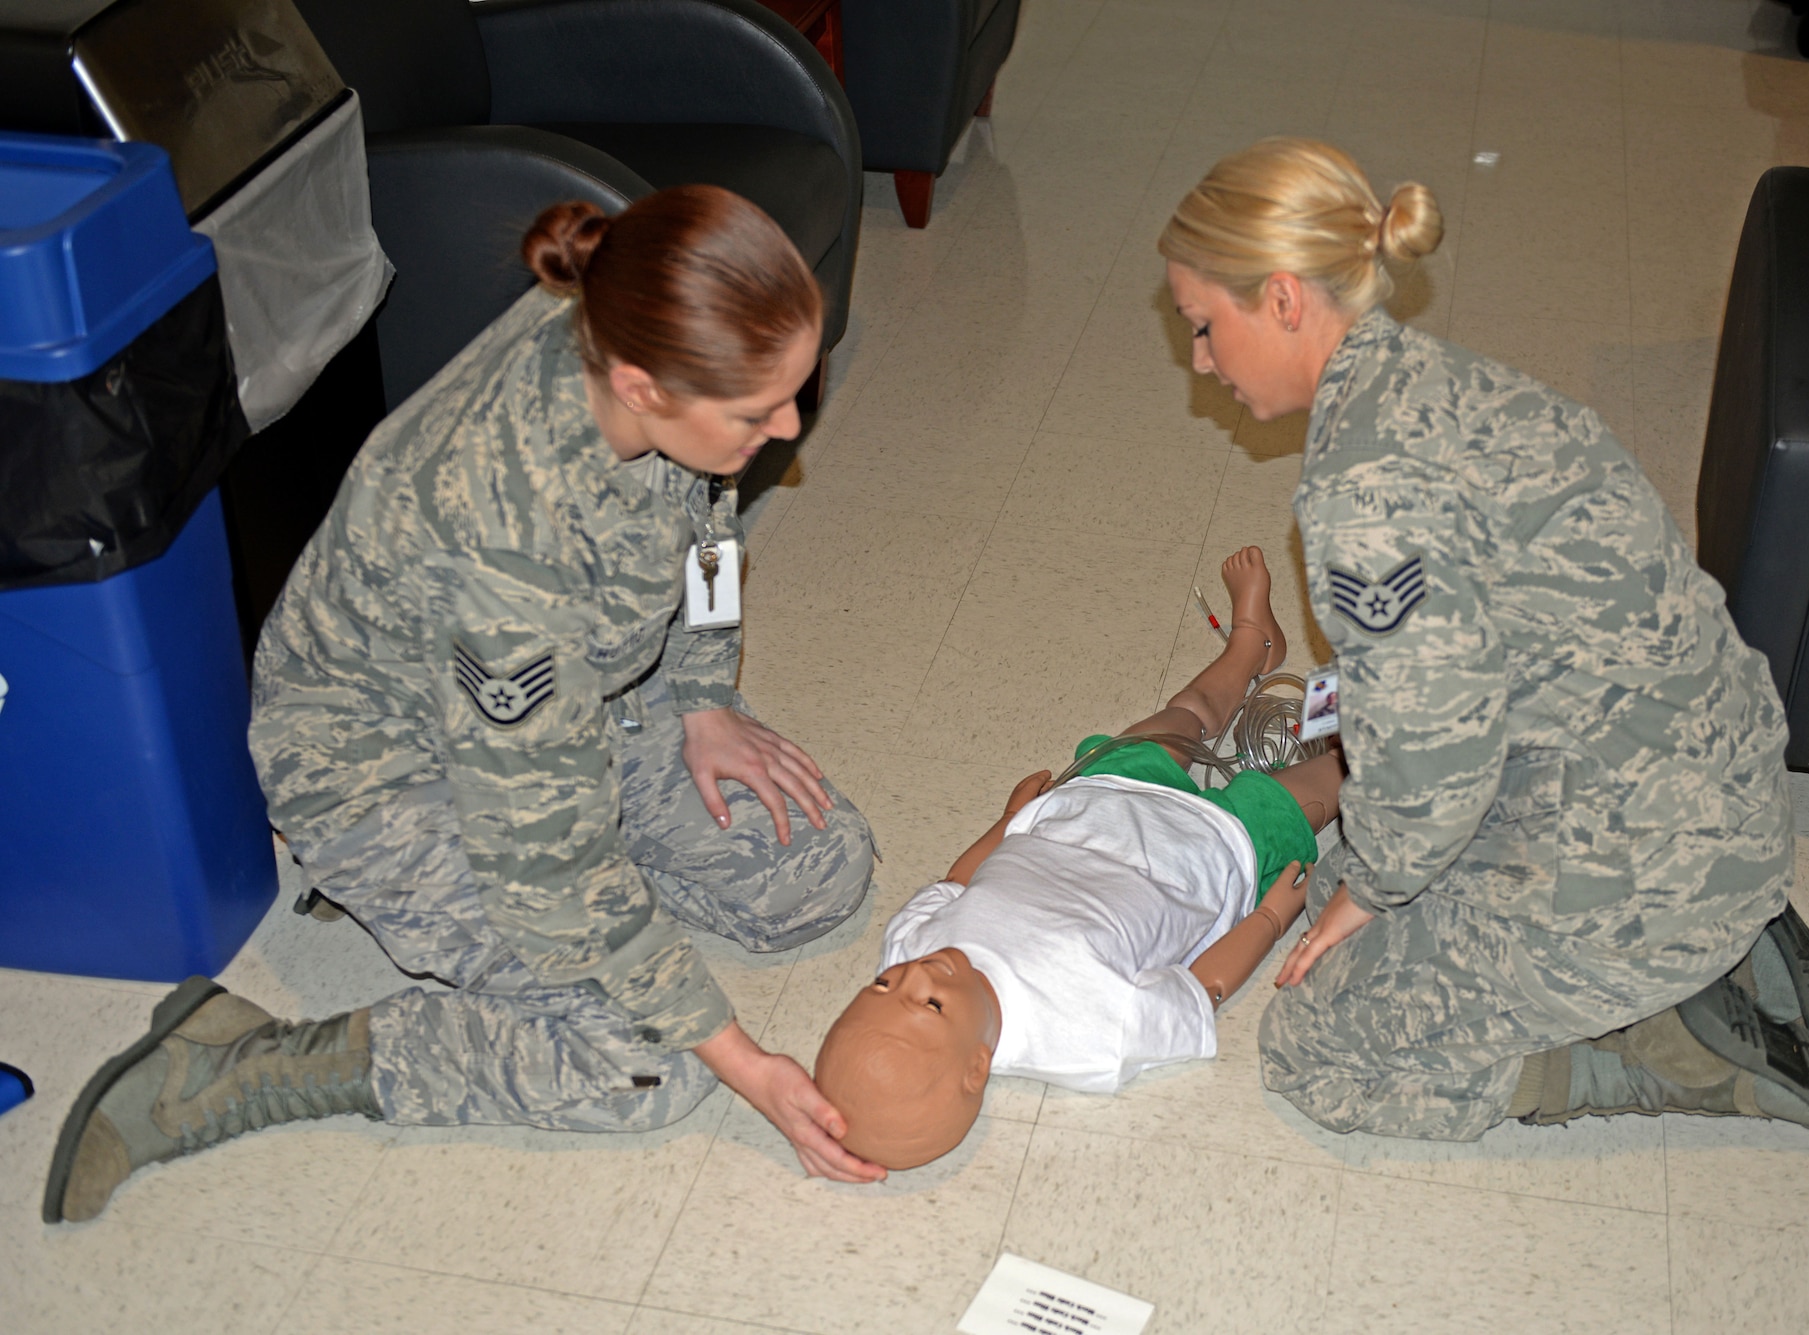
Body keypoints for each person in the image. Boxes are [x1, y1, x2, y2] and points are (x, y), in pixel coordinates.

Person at [44, 187, 885, 1226]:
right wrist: (737, 1053)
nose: (788, 430)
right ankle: (232, 1064)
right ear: (639, 386)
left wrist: (702, 701)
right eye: (758, 414)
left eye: (794, 393)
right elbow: (555, 861)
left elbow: (706, 525)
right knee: (647, 1069)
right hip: (388, 774)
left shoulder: (641, 312)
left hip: (573, 712)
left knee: (816, 867)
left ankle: (492, 927)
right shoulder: (501, 543)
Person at [1156, 138, 1809, 1141]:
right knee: (1351, 884)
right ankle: (1721, 942)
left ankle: (1679, 1047)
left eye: (1201, 327)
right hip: (1706, 775)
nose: (1198, 359)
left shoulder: (1365, 499)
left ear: (1278, 299)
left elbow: (1435, 765)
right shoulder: (1444, 383)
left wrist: (1375, 886)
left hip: (1644, 857)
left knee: (1317, 1038)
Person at [814, 548, 1346, 1169]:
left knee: (1185, 716)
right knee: (1329, 779)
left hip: (1094, 802)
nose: (917, 975)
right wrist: (1273, 919)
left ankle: (1251, 648)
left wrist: (1007, 821)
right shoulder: (1090, 1036)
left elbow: (957, 884)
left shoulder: (909, 949)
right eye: (930, 1005)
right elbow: (1202, 990)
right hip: (1215, 852)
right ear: (979, 1065)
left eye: (881, 984)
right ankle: (1356, 730)